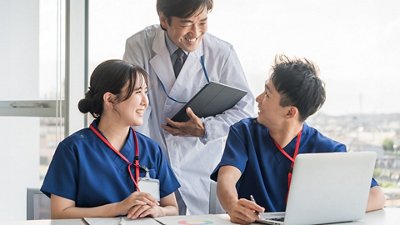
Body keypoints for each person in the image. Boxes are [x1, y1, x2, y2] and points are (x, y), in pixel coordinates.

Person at [210, 55, 386, 224]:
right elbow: (227, 179)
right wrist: (233, 206)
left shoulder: (328, 150)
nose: (258, 99)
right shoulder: (244, 132)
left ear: (290, 112)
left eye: (267, 95)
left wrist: (324, 213)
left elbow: (376, 196)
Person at [123, 0, 255, 215]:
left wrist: (206, 128)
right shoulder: (140, 46)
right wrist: (141, 163)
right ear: (164, 20)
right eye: (186, 24)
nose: (195, 32)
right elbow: (135, 107)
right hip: (155, 162)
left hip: (202, 163)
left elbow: (245, 111)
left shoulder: (222, 53)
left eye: (202, 22)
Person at [41, 60, 180, 219]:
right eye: (137, 92)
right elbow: (60, 214)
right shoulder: (73, 149)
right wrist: (119, 208)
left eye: (146, 92)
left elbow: (172, 208)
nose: (145, 101)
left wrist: (159, 211)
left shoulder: (151, 149)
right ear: (110, 99)